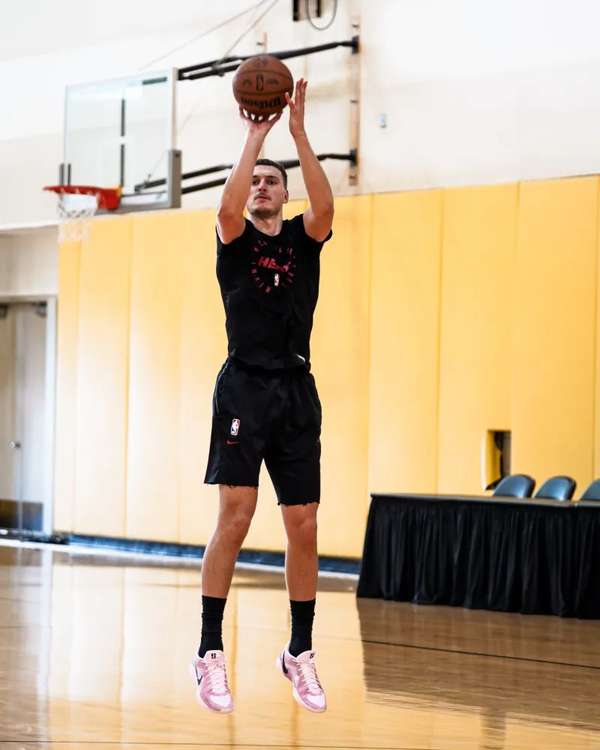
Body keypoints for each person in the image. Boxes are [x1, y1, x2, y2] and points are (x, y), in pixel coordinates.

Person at [189, 78, 334, 714]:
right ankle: (208, 650)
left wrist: (297, 134)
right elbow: (226, 209)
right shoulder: (235, 240)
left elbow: (326, 207)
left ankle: (299, 651)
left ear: (285, 193)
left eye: (273, 181)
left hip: (296, 389)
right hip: (244, 388)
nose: (264, 187)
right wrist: (254, 137)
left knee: (304, 524)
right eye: (256, 181)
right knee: (237, 517)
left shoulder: (303, 239)